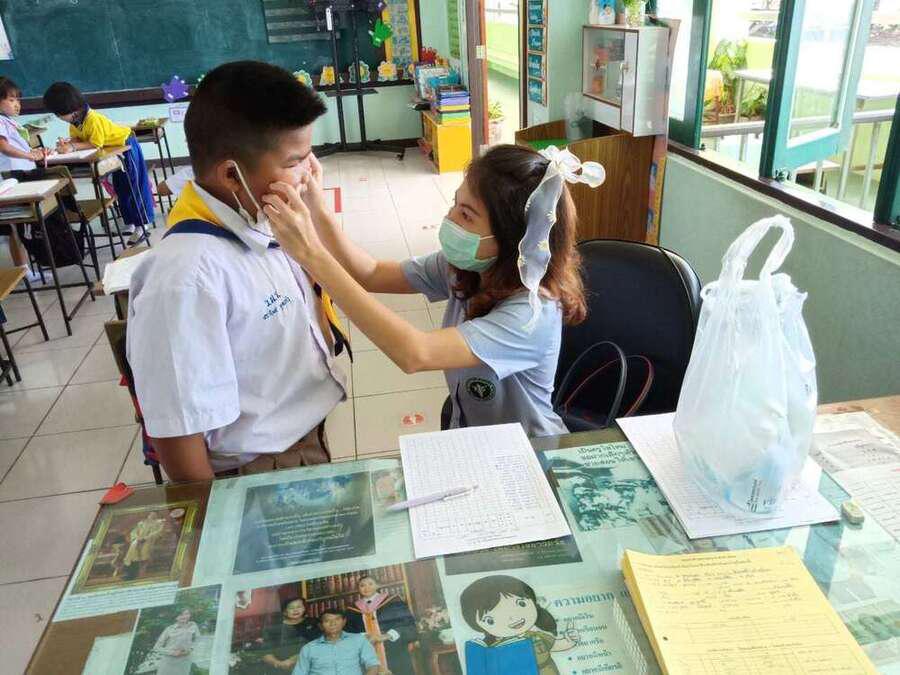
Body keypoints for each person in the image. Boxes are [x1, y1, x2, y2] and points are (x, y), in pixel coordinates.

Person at [263, 144, 604, 438]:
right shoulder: (468, 267)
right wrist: (317, 207)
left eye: (466, 215)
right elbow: (371, 273)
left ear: (516, 240)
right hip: (472, 432)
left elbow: (415, 353)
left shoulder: (530, 315)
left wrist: (311, 254)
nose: (450, 219)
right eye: (455, 204)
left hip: (528, 450)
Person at [126, 61, 348, 481]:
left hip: (301, 441)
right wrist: (216, 515)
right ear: (232, 174)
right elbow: (178, 435)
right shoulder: (185, 279)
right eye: (295, 161)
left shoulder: (261, 218)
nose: (309, 173)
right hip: (254, 470)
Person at [42, 81, 154, 245]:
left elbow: (95, 143)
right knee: (121, 189)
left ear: (70, 108)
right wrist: (67, 143)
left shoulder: (92, 119)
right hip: (114, 151)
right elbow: (78, 138)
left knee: (134, 187)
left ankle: (142, 225)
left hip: (127, 146)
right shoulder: (75, 121)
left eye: (58, 114)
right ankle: (130, 222)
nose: (58, 117)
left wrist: (72, 147)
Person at [460, 575, 578, 675]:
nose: (512, 618)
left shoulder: (536, 637)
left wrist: (570, 639)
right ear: (479, 626)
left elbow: (557, 645)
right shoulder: (494, 651)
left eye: (521, 604)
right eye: (491, 620)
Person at [346, 575, 416, 674]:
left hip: (393, 646)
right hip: (367, 649)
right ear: (358, 589)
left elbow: (406, 622)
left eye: (370, 584)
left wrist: (386, 636)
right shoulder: (353, 609)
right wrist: (365, 636)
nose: (367, 588)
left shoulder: (393, 601)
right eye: (362, 585)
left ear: (377, 585)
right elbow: (350, 630)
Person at [294, 611, 384, 675]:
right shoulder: (308, 648)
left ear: (344, 622)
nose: (333, 623)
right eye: (327, 621)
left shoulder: (358, 640)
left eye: (337, 619)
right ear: (320, 626)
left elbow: (372, 665)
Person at [260, 596, 321, 673]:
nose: (295, 610)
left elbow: (319, 646)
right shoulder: (274, 628)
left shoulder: (313, 623)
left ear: (304, 608)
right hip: (281, 668)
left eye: (299, 607)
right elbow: (265, 653)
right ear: (285, 611)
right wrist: (279, 664)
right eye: (291, 608)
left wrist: (293, 660)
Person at [152, 607, 200, 675]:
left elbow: (198, 640)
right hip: (169, 662)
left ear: (190, 615)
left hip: (184, 663)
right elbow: (156, 647)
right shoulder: (169, 629)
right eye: (181, 614)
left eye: (186, 614)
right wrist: (172, 652)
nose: (184, 616)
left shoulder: (193, 625)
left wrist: (191, 649)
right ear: (176, 617)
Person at [122, 510, 166, 578]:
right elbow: (134, 531)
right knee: (134, 545)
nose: (152, 516)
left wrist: (146, 538)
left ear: (157, 515)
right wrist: (137, 537)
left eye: (154, 515)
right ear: (148, 515)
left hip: (150, 539)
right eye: (151, 514)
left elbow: (158, 532)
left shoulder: (159, 523)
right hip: (139, 539)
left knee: (144, 550)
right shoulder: (142, 523)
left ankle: (141, 570)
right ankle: (131, 571)